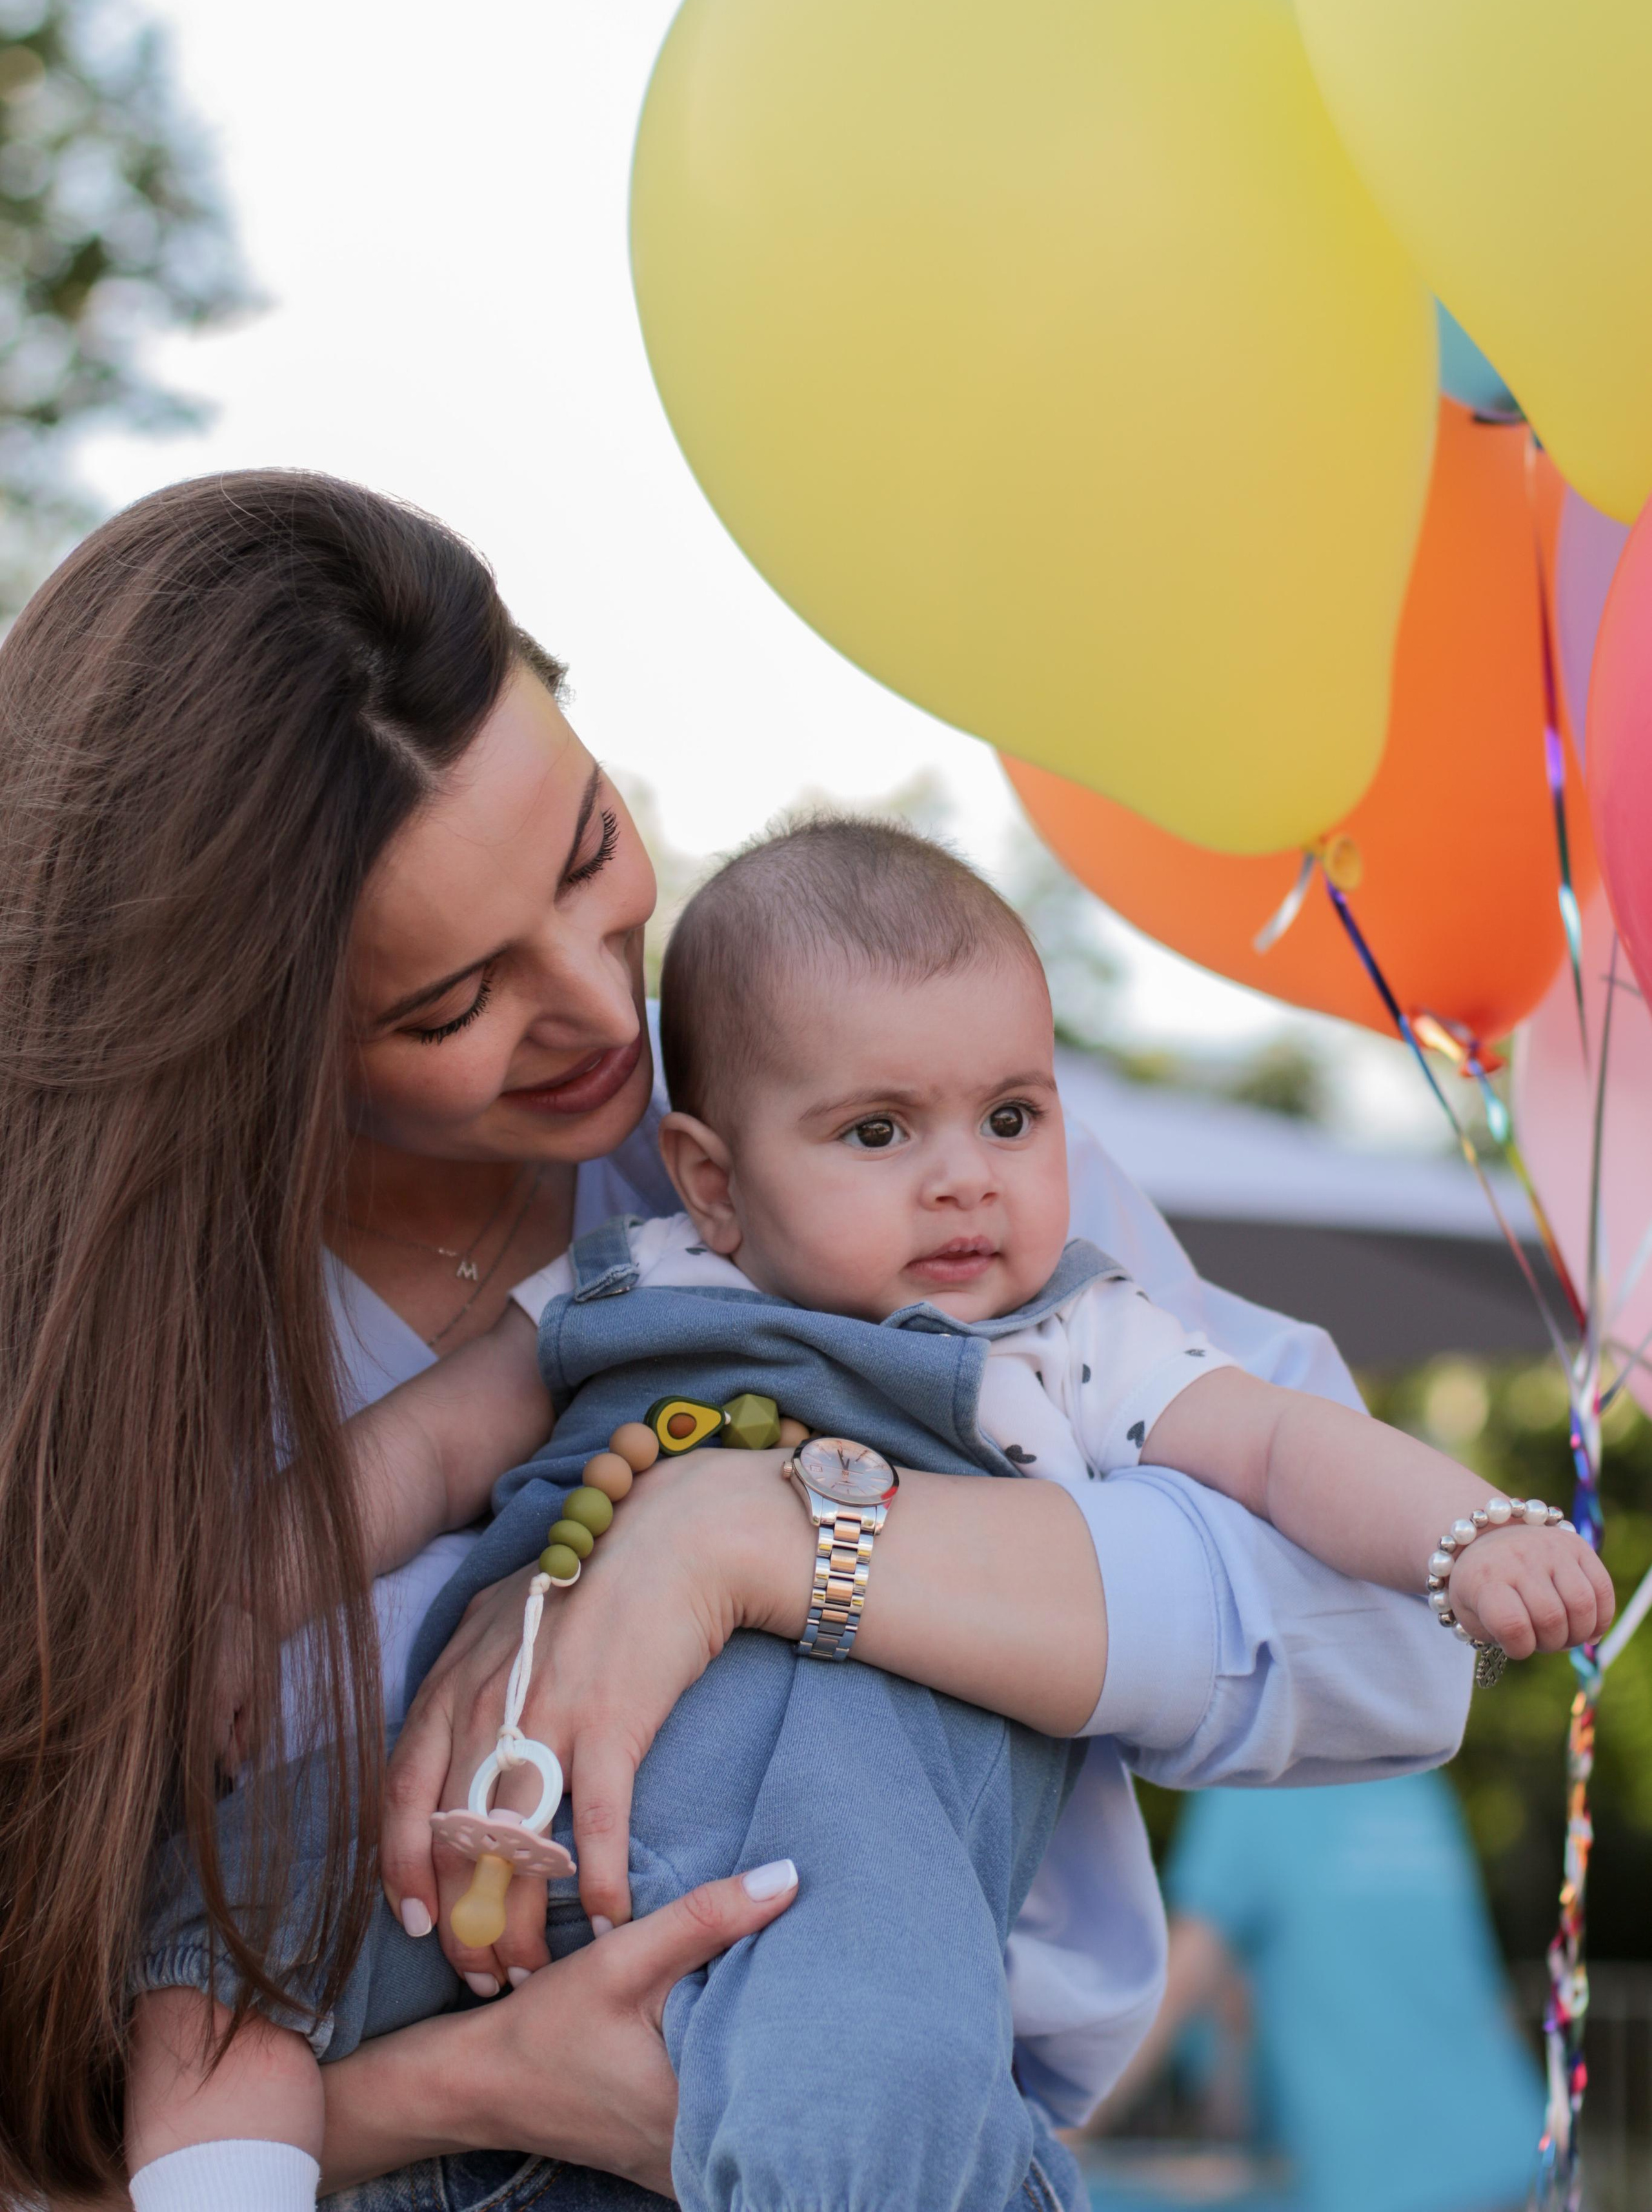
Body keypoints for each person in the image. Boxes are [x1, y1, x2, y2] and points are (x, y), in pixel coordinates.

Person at [0, 473, 1473, 2212]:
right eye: (451, 1002)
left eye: (584, 852)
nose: (587, 1000)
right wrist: (445, 2096)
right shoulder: (96, 1377)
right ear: (243, 1044)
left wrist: (761, 1541)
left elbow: (1394, 1644)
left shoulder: (864, 1142)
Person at [124, 819, 1609, 2212]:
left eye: (1012, 1114)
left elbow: (1285, 1449)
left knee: (864, 1963)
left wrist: (1465, 1530)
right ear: (710, 1179)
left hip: (804, 1838)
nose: (966, 1174)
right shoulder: (636, 1281)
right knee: (235, 1903)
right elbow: (421, 1450)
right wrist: (241, 1608)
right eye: (879, 1131)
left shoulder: (1066, 1334)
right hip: (465, 1855)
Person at [1084, 1777, 1544, 2212]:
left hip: (1382, 2182)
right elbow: (1487, 1995)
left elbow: (1177, 1984)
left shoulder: (1256, 1784)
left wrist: (1063, 2126)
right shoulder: (1420, 1779)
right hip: (1517, 2156)